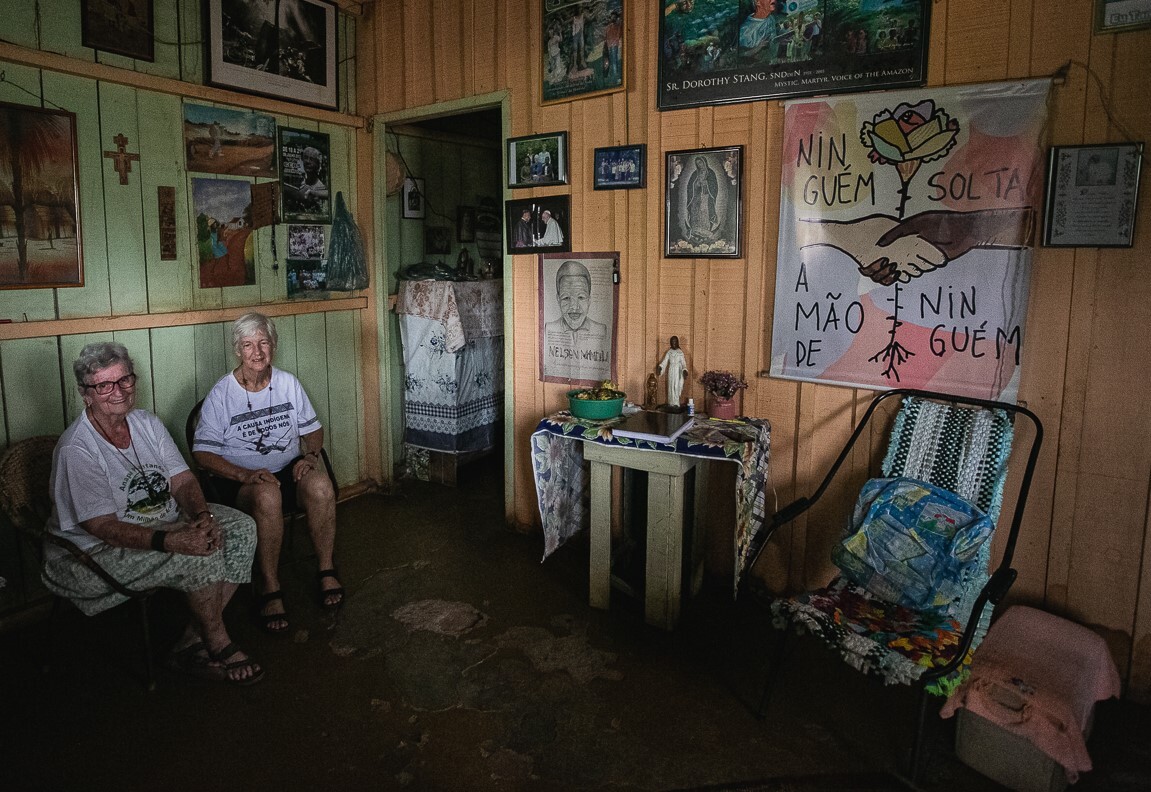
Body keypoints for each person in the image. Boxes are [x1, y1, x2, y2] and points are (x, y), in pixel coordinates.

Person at [45, 342, 263, 685]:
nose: (118, 392)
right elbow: (102, 527)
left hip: (159, 521)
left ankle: (190, 641)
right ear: (86, 394)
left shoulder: (145, 422)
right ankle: (218, 641)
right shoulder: (78, 448)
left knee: (241, 527)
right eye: (104, 385)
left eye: (124, 380)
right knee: (196, 554)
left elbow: (182, 480)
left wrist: (202, 515)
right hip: (93, 553)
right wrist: (172, 539)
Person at [192, 312, 342, 634]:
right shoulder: (222, 393)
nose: (256, 352)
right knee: (267, 495)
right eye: (248, 345)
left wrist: (311, 455)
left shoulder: (288, 383)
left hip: (287, 470)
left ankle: (326, 568)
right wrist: (244, 475)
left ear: (273, 345)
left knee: (321, 488)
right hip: (240, 481)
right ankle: (270, 584)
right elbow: (202, 453)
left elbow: (313, 429)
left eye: (263, 343)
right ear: (238, 350)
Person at [543, 260, 609, 379]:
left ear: (589, 299)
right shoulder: (549, 329)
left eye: (581, 297)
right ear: (558, 299)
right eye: (566, 298)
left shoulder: (601, 330)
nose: (574, 306)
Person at [657, 336, 688, 409]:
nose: (674, 343)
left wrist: (684, 370)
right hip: (671, 370)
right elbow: (665, 361)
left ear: (677, 343)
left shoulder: (680, 352)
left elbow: (683, 363)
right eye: (672, 342)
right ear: (670, 343)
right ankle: (671, 403)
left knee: (676, 386)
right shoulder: (669, 352)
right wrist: (660, 367)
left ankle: (676, 403)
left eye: (675, 342)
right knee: (670, 386)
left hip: (677, 371)